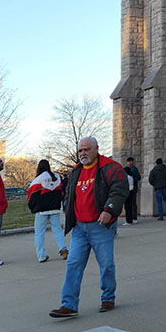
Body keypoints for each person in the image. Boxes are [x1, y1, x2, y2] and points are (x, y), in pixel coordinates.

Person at [49, 136, 129, 318]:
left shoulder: (110, 167)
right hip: (79, 228)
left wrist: (108, 210)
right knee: (73, 264)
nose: (83, 153)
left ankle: (108, 298)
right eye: (80, 150)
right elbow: (69, 194)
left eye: (86, 149)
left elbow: (119, 189)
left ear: (96, 149)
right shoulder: (76, 171)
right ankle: (68, 304)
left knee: (106, 264)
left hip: (101, 227)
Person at [27, 159, 68, 263]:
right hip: (55, 209)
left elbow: (31, 196)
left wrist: (33, 207)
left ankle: (41, 255)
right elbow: (62, 193)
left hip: (42, 211)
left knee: (39, 233)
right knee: (57, 230)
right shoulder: (57, 177)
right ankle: (63, 250)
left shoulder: (38, 179)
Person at [122, 156, 141, 225]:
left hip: (132, 188)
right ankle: (132, 217)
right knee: (131, 203)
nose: (130, 163)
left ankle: (134, 217)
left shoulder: (133, 169)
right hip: (132, 188)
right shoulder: (129, 169)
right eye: (129, 161)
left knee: (132, 203)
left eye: (131, 161)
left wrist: (133, 178)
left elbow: (138, 177)